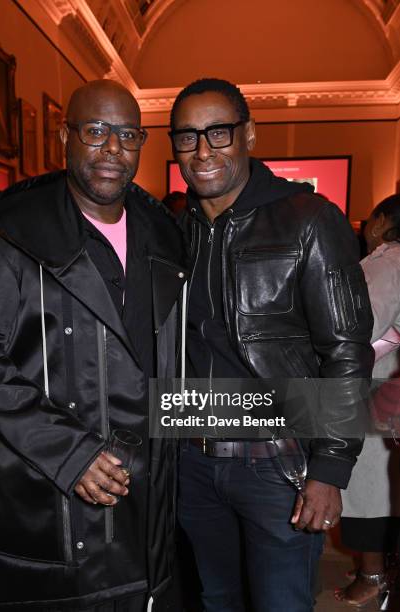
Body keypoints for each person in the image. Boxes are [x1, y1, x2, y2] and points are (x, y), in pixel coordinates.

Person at [0, 80, 186, 611]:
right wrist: (70, 451)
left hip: (146, 488)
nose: (112, 149)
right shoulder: (16, 231)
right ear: (66, 136)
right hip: (55, 486)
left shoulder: (165, 236)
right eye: (96, 131)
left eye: (127, 135)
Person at [169, 78, 374, 612]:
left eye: (218, 132)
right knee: (215, 600)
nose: (204, 150)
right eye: (188, 137)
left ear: (249, 135)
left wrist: (330, 469)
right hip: (191, 459)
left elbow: (348, 351)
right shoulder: (173, 231)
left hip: (277, 464)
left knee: (280, 603)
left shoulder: (309, 220)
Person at [335, 194, 400, 607]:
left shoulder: (386, 263)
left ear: (379, 222)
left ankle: (373, 573)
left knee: (367, 489)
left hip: (379, 386)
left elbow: (359, 327)